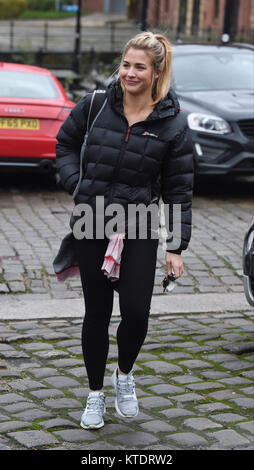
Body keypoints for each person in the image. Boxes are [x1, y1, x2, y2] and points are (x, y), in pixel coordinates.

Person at [55, 31, 194, 430]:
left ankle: (125, 375)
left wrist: (176, 247)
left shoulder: (173, 123)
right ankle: (95, 393)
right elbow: (64, 144)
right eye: (126, 65)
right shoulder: (96, 104)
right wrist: (76, 184)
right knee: (96, 312)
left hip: (137, 224)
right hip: (91, 220)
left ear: (156, 73)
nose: (130, 73)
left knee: (136, 310)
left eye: (140, 67)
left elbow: (179, 189)